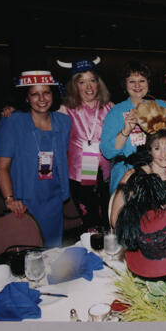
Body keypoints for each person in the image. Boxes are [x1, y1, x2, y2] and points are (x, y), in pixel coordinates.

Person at [0, 71, 71, 247]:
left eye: (46, 92)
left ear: (53, 94)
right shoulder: (12, 122)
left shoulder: (64, 122)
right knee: (28, 256)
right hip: (24, 204)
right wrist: (9, 200)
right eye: (35, 94)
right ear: (27, 98)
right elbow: (2, 168)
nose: (42, 98)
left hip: (54, 200)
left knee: (52, 254)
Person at [100, 60, 166, 195]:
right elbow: (107, 151)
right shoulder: (116, 111)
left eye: (141, 80)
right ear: (125, 84)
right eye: (131, 81)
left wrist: (163, 127)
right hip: (127, 176)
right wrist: (125, 132)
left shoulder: (163, 107)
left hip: (160, 176)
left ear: (148, 83)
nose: (137, 85)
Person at [56, 57, 114, 229]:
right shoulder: (65, 109)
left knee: (108, 221)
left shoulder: (110, 107)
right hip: (80, 174)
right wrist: (14, 111)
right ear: (75, 86)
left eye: (92, 81)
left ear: (99, 83)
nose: (88, 87)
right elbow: (41, 117)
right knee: (90, 223)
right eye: (82, 82)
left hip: (105, 174)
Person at [110, 101, 166, 228]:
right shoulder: (133, 176)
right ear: (150, 151)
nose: (163, 154)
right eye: (157, 148)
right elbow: (115, 220)